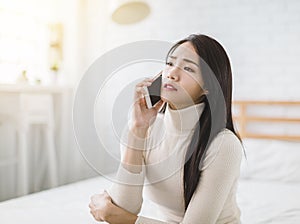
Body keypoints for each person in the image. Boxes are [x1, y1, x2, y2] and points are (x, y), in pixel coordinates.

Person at [89, 34, 244, 224]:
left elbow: (118, 215)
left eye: (188, 68)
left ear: (207, 87)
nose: (171, 73)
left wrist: (115, 215)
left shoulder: (224, 145)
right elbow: (125, 206)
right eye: (170, 64)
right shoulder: (146, 127)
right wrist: (137, 131)